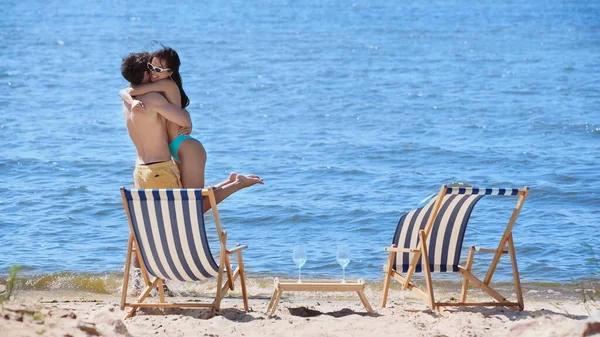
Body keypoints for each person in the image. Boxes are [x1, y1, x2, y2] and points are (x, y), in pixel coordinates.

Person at [120, 50, 264, 213]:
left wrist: (128, 97)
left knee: (191, 206)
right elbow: (129, 92)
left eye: (158, 69)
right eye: (151, 67)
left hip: (164, 159)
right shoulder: (148, 97)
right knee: (191, 203)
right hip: (161, 163)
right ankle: (233, 182)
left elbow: (127, 91)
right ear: (146, 72)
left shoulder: (141, 98)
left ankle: (237, 184)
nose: (154, 71)